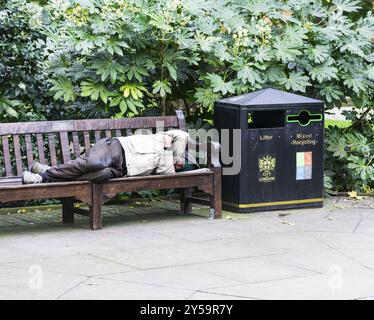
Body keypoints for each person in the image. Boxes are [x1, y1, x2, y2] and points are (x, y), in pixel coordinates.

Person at [22, 129, 190, 184]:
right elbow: (181, 134)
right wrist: (178, 156)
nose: (181, 164)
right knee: (94, 163)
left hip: (123, 171)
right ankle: (41, 178)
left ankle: (50, 171)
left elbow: (165, 173)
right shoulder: (169, 138)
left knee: (99, 175)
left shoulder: (167, 163)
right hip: (118, 148)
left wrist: (169, 154)